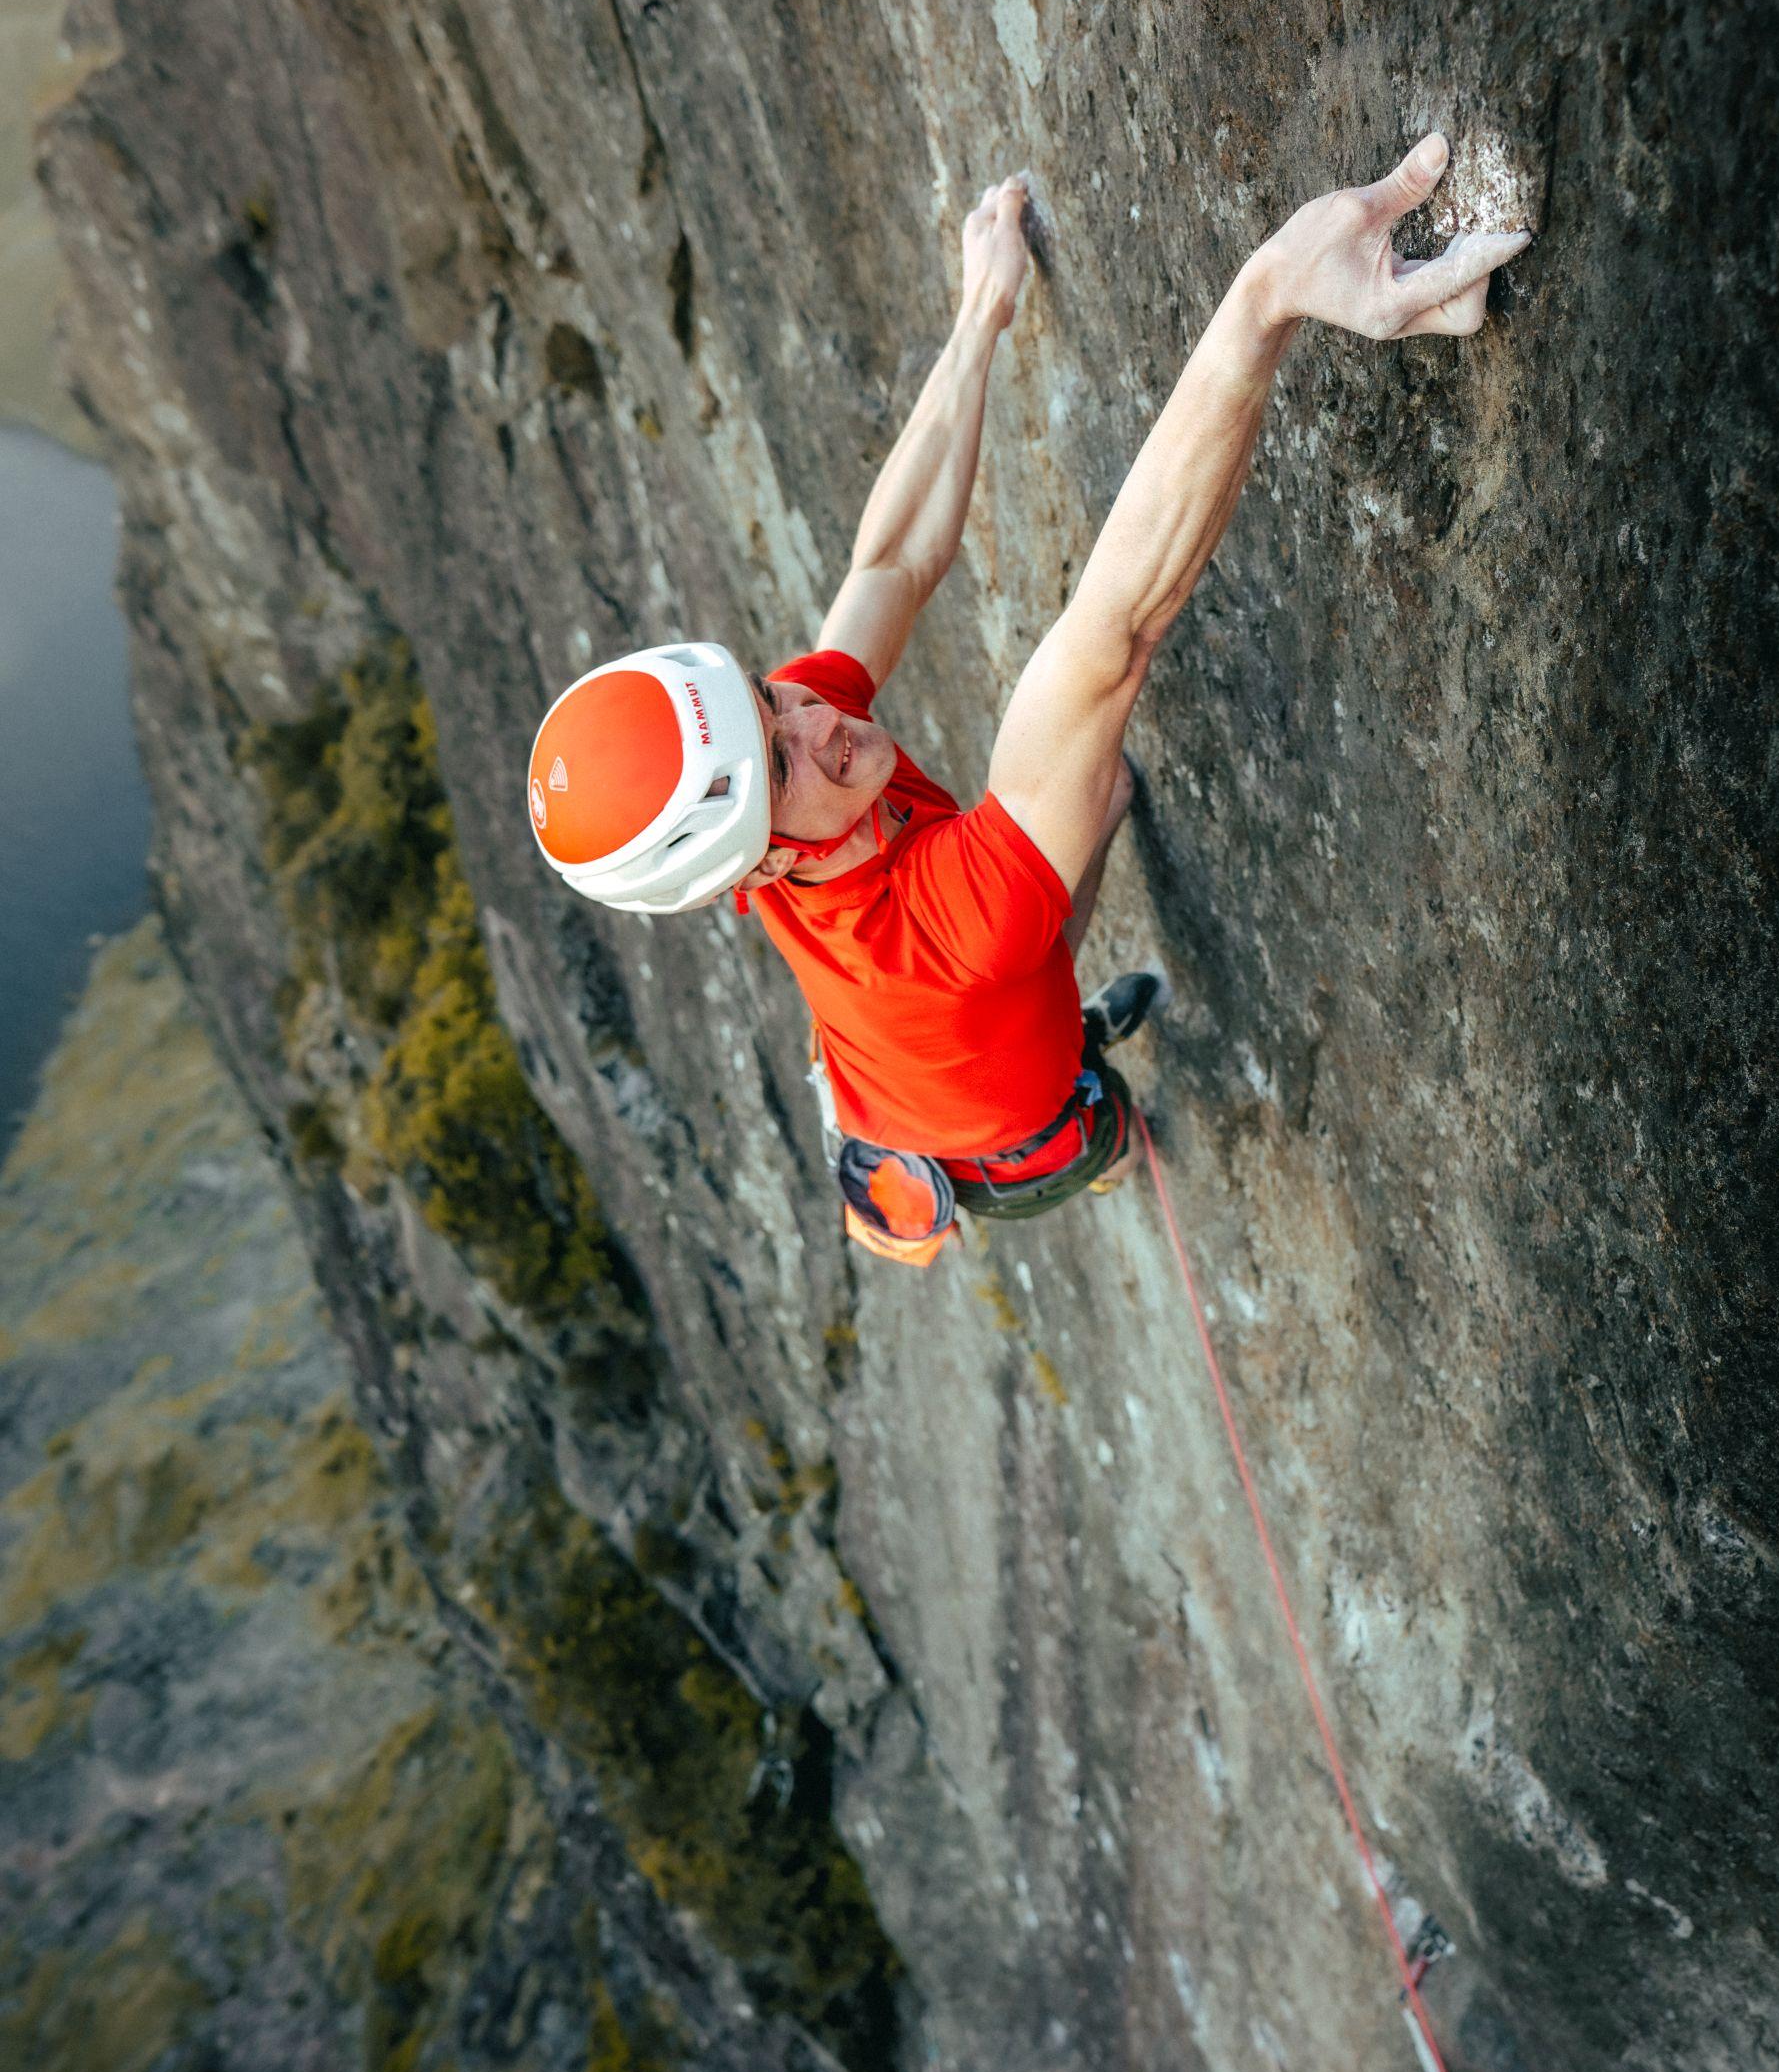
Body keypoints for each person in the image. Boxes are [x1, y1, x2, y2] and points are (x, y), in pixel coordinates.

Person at [527, 143, 1528, 1258]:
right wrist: (1268, 296)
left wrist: (979, 318)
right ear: (759, 868)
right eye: (782, 761)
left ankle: (993, 1046)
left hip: (906, 1056)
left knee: (1086, 807)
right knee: (1080, 831)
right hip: (1007, 1120)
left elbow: (891, 567)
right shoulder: (945, 934)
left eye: (770, 699)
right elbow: (1113, 637)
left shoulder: (777, 795)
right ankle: (1099, 1147)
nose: (821, 721)